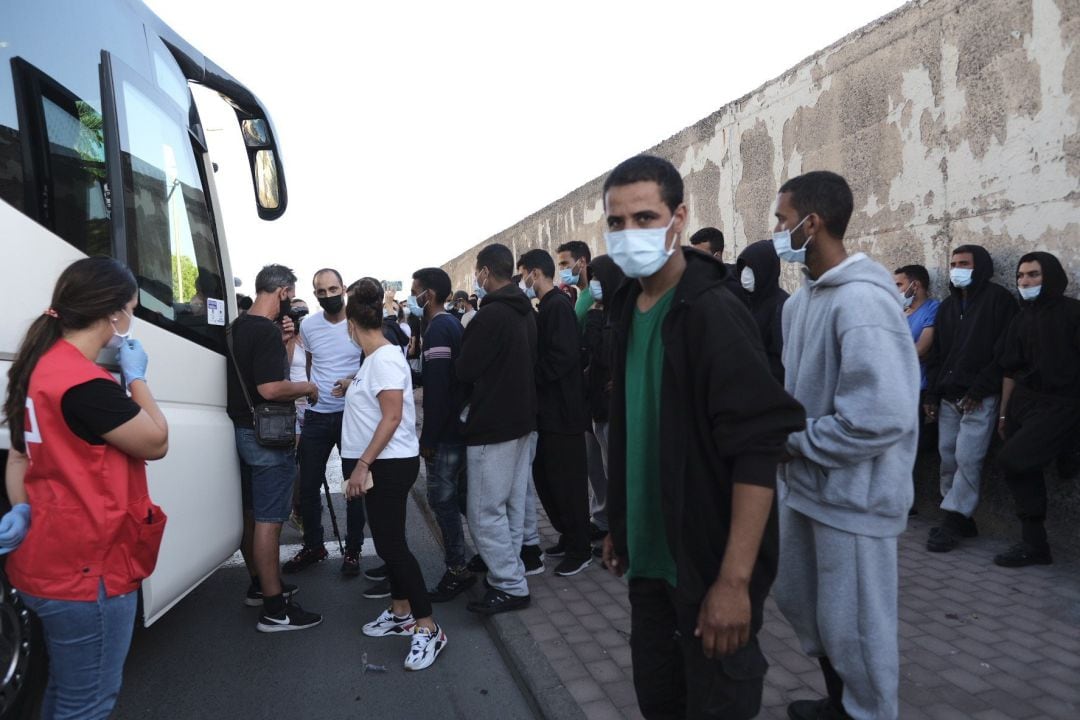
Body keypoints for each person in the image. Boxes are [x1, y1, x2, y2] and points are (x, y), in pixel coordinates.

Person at [599, 155, 805, 720]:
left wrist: (735, 583)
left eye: (645, 218)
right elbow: (635, 427)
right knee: (660, 703)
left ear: (679, 218)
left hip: (707, 569)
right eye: (616, 222)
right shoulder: (626, 307)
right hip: (647, 566)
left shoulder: (712, 311)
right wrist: (621, 522)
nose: (629, 233)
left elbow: (758, 450)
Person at [771, 171, 919, 720]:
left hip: (855, 499)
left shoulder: (863, 304)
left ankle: (869, 712)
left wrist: (797, 442)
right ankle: (841, 703)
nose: (778, 232)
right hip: (807, 486)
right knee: (811, 611)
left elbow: (881, 417)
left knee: (858, 627)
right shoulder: (800, 303)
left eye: (784, 221)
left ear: (813, 223)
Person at [0, 257, 170, 718]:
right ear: (113, 314)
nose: (130, 320)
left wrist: (25, 509)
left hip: (43, 561)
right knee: (88, 703)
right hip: (87, 571)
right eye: (131, 309)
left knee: (66, 691)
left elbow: (19, 456)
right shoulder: (86, 385)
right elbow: (156, 441)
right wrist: (136, 379)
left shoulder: (37, 368)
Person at [340, 277, 447, 670]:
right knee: (391, 542)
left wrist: (362, 464)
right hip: (383, 463)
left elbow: (392, 416)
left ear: (352, 324)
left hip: (386, 464)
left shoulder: (383, 358)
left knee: (392, 548)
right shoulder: (374, 361)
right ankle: (401, 613)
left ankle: (428, 626)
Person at [226, 264, 322, 632]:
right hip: (267, 437)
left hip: (243, 431)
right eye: (291, 295)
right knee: (270, 521)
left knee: (253, 514)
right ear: (283, 292)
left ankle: (260, 585)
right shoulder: (264, 331)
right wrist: (308, 388)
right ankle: (274, 608)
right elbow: (269, 388)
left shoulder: (237, 328)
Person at [456, 243, 538, 614]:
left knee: (484, 510)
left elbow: (465, 370)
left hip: (493, 424)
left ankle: (509, 583)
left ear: (486, 272)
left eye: (478, 271)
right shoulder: (525, 313)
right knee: (510, 504)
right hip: (522, 420)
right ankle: (511, 570)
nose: (477, 277)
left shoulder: (489, 318)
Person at [923, 246, 1016, 553]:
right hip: (949, 396)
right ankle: (959, 515)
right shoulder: (949, 306)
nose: (956, 268)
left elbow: (1003, 352)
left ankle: (952, 519)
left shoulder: (999, 301)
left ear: (980, 267)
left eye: (964, 263)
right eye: (952, 263)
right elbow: (939, 354)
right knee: (948, 457)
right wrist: (933, 395)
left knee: (968, 458)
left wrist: (979, 389)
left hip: (980, 397)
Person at [993, 252, 1080, 567]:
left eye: (1034, 275)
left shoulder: (1072, 313)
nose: (1025, 282)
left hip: (1060, 404)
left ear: (1051, 277)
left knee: (1013, 460)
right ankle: (1034, 545)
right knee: (1021, 465)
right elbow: (1010, 369)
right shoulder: (1021, 317)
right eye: (1021, 276)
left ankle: (1034, 543)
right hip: (1023, 403)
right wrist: (1004, 413)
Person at [287, 269, 366, 577]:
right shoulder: (308, 326)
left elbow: (372, 363)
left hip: (352, 415)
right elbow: (308, 362)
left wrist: (352, 383)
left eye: (333, 289)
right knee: (307, 485)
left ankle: (354, 550)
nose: (328, 295)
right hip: (318, 415)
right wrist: (310, 389)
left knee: (354, 487)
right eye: (321, 291)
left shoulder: (358, 322)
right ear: (315, 294)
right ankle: (313, 544)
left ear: (344, 288)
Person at [520, 249, 593, 576]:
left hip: (563, 413)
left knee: (568, 483)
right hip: (549, 413)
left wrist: (531, 377)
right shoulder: (547, 307)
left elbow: (562, 358)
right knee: (548, 480)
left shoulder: (558, 307)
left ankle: (581, 547)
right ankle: (568, 535)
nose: (522, 280)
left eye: (523, 273)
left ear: (535, 273)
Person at [409, 267, 475, 601]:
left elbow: (437, 389)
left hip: (446, 433)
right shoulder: (445, 325)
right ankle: (479, 558)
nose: (412, 298)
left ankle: (457, 569)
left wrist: (429, 439)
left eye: (415, 290)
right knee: (462, 498)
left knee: (442, 501)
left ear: (428, 295)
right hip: (455, 428)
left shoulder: (439, 330)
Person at [581, 255, 624, 545]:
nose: (594, 284)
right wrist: (596, 313)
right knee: (597, 470)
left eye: (598, 278)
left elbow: (606, 353)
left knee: (616, 472)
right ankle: (602, 520)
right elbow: (589, 349)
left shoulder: (622, 315)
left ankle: (620, 530)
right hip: (595, 404)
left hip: (612, 407)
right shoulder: (603, 313)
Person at [894, 265, 940, 514]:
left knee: (911, 448)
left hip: (917, 388)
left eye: (899, 285)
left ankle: (905, 502)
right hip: (896, 389)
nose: (896, 290)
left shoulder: (933, 309)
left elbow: (921, 349)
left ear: (916, 285)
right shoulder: (900, 311)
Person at [736, 239, 789, 383]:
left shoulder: (782, 306)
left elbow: (784, 362)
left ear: (764, 269)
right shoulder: (749, 302)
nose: (745, 274)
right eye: (743, 267)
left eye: (750, 267)